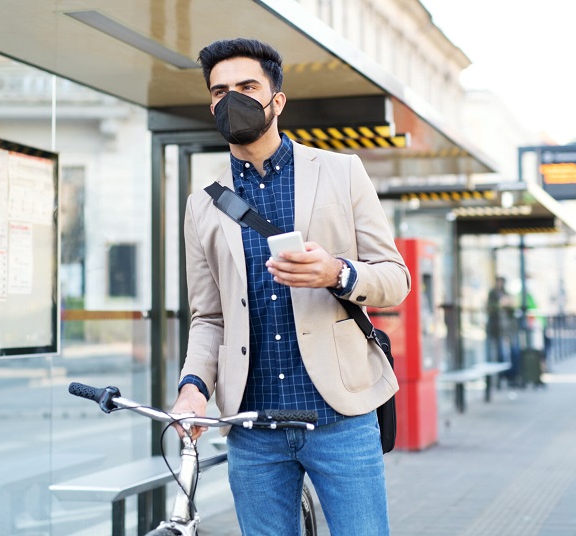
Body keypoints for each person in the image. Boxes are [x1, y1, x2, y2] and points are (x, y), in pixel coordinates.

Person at [170, 37, 410, 535]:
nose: (230, 99)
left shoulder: (342, 172)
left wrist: (339, 273)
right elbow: (208, 317)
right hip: (252, 429)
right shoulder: (203, 204)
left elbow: (395, 278)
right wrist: (193, 387)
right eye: (219, 91)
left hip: (339, 418)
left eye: (246, 86)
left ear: (277, 100)